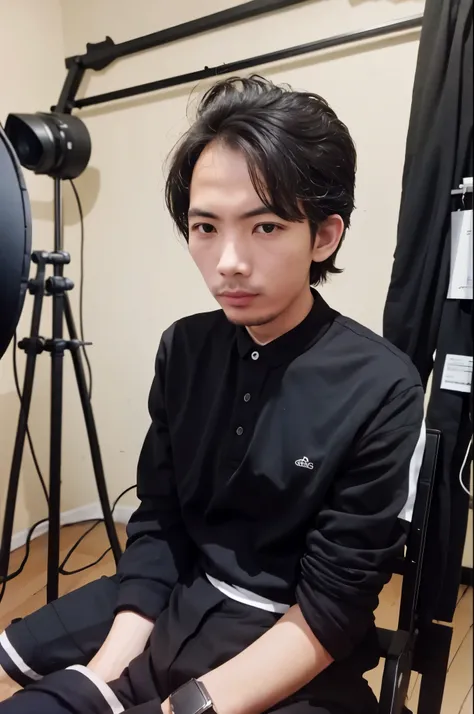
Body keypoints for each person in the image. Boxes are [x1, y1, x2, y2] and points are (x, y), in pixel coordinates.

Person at [0, 75, 425, 714]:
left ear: (325, 236)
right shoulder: (185, 348)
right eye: (205, 226)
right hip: (173, 591)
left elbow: (332, 607)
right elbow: (160, 522)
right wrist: (106, 676)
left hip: (288, 638)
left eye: (265, 226)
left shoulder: (382, 385)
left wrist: (181, 707)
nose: (228, 261)